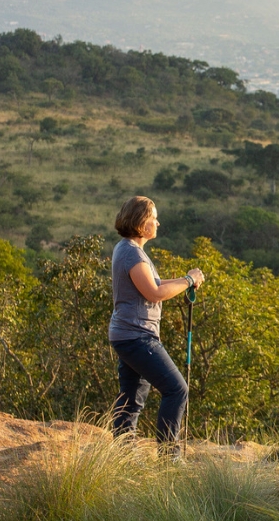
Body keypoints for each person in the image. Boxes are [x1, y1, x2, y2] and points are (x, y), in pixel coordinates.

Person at [108, 195, 204, 458]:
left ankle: (122, 457)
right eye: (153, 217)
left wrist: (187, 280)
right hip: (137, 336)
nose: (158, 223)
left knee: (132, 398)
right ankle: (169, 458)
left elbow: (157, 283)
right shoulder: (130, 252)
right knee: (176, 389)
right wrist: (187, 279)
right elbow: (153, 293)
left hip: (128, 334)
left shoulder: (128, 250)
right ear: (141, 222)